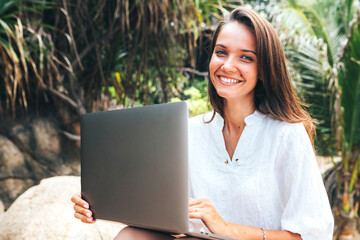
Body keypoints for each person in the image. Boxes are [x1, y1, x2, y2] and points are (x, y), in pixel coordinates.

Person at [71, 6, 334, 240]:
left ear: (264, 69)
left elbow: (311, 235)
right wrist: (97, 205)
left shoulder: (287, 135)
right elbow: (165, 217)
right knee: (130, 236)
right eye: (221, 52)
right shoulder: (188, 132)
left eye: (246, 57)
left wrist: (226, 228)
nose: (228, 65)